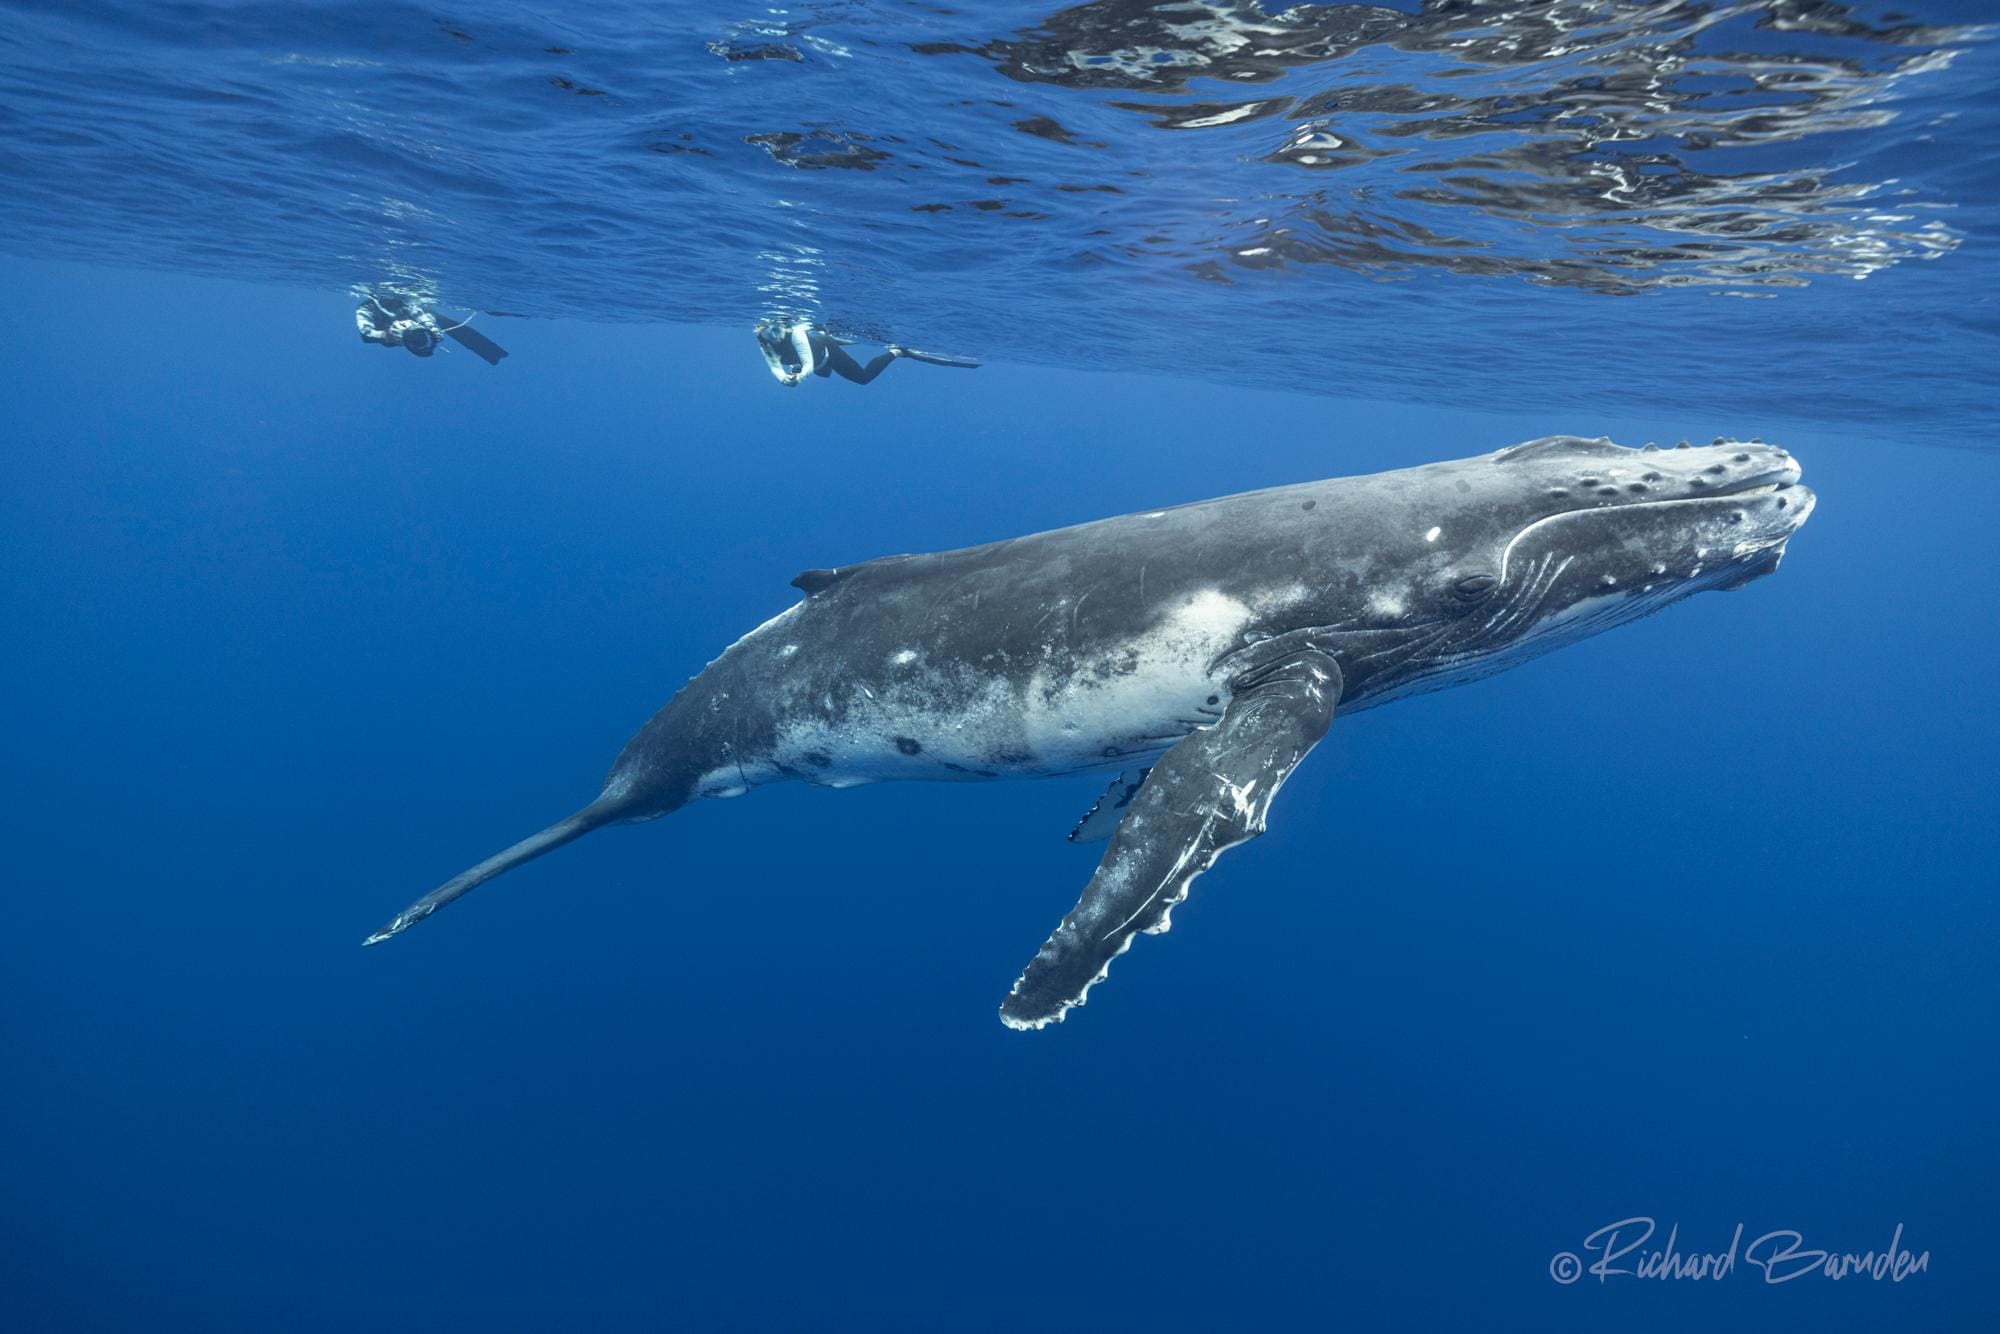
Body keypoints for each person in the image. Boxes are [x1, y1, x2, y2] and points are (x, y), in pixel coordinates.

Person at [754, 319, 976, 387]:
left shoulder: (797, 333)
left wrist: (800, 376)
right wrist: (784, 378)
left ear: (784, 325)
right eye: (769, 333)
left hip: (824, 349)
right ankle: (838, 337)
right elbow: (774, 367)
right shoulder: (766, 344)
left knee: (863, 379)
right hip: (821, 364)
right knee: (824, 373)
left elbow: (807, 364)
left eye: (777, 330)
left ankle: (896, 352)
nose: (775, 336)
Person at [355, 291, 509, 365]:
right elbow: (421, 314)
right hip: (404, 312)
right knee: (429, 312)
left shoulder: (370, 313)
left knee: (426, 311)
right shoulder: (371, 310)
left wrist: (383, 335)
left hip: (394, 320)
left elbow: (366, 332)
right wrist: (431, 328)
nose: (407, 327)